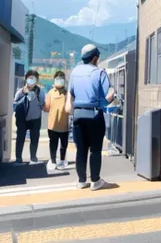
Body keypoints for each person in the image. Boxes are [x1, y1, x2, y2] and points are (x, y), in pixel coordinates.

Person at [65, 44, 115, 190]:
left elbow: (71, 94)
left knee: (81, 149)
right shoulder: (99, 73)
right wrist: (106, 101)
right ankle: (95, 181)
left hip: (78, 114)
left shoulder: (75, 72)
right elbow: (109, 94)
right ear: (95, 58)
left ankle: (81, 181)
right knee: (95, 149)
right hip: (94, 113)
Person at [13, 70, 46, 164]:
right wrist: (24, 93)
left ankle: (33, 157)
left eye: (34, 78)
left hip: (35, 118)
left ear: (37, 80)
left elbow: (42, 104)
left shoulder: (40, 91)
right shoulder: (20, 91)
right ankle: (18, 158)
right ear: (26, 79)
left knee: (35, 138)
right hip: (22, 119)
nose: (31, 80)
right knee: (20, 138)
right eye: (30, 78)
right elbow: (15, 102)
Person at [43, 71, 70, 171]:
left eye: (61, 78)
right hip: (52, 125)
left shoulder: (67, 93)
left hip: (64, 124)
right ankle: (53, 160)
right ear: (54, 80)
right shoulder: (51, 92)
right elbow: (46, 108)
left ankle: (62, 160)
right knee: (53, 144)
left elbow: (70, 108)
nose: (59, 80)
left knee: (63, 145)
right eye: (57, 78)